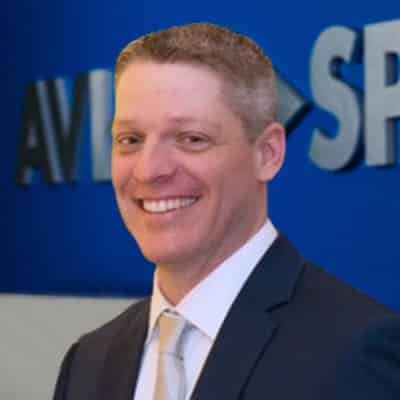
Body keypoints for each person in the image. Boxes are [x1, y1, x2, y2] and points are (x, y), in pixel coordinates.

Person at [53, 23, 400, 400]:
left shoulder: (355, 353)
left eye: (192, 139)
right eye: (130, 140)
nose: (149, 169)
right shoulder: (89, 360)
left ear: (267, 154)